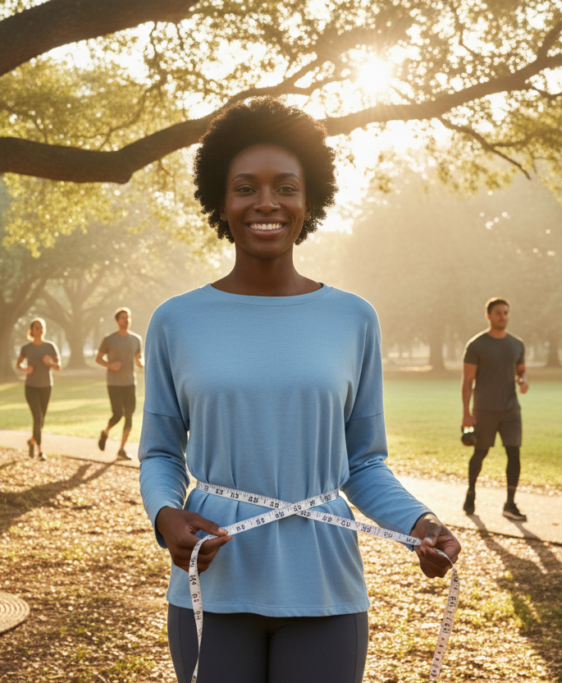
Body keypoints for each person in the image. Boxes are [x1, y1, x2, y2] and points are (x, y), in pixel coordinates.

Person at [138, 98, 461, 683]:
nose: (266, 203)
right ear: (221, 199)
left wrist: (420, 525)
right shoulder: (175, 320)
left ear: (309, 202)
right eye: (245, 187)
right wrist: (166, 517)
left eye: (285, 187)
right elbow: (161, 451)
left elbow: (364, 462)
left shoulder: (353, 318)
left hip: (326, 587)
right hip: (213, 581)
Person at [462, 297, 529, 520]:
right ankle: (471, 492)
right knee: (480, 453)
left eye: (506, 313)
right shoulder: (476, 345)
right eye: (499, 313)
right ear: (488, 315)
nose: (503, 316)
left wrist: (523, 380)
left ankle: (510, 504)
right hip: (484, 409)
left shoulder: (517, 344)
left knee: (514, 453)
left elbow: (521, 370)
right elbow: (467, 381)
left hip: (510, 409)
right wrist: (467, 413)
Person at [95, 307, 143, 460]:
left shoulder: (136, 339)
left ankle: (121, 449)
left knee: (129, 415)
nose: (126, 320)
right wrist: (110, 365)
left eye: (127, 317)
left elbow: (138, 357)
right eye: (122, 317)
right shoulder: (109, 339)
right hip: (114, 383)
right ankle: (105, 432)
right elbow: (98, 358)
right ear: (117, 321)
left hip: (130, 382)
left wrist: (141, 363)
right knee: (117, 414)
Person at [16, 318, 60, 461]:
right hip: (31, 387)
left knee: (41, 421)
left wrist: (50, 363)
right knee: (37, 417)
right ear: (32, 330)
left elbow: (58, 366)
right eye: (36, 327)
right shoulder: (26, 348)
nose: (39, 330)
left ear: (44, 330)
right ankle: (40, 451)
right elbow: (18, 364)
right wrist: (25, 369)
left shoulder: (50, 347)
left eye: (41, 327)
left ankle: (31, 441)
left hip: (46, 387)